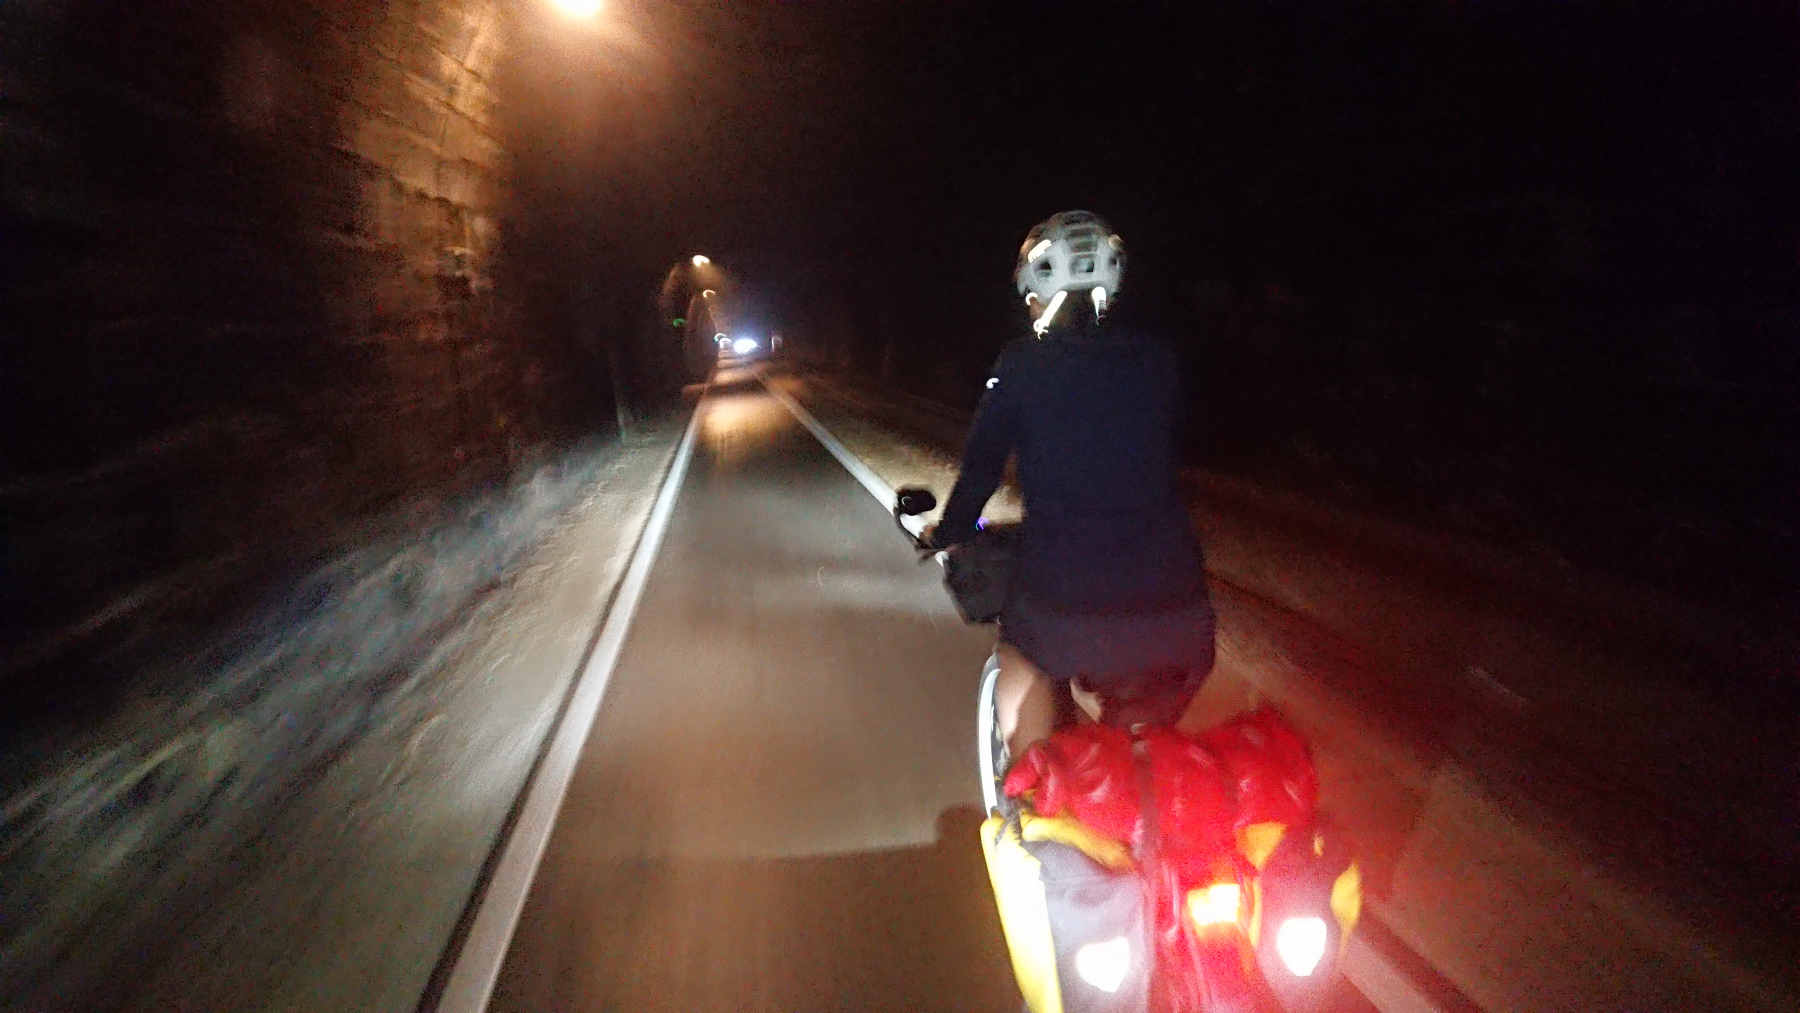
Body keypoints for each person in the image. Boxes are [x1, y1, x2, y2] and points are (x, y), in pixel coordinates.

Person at [924, 210, 1215, 765]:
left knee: (1020, 656)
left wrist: (949, 532)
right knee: (1147, 751)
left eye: (1030, 298)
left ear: (1039, 291)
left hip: (1067, 607)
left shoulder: (1021, 365)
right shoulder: (1157, 358)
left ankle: (1030, 793)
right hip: (1183, 614)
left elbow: (982, 470)